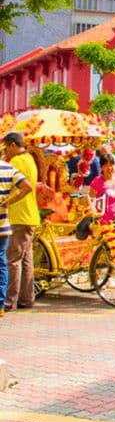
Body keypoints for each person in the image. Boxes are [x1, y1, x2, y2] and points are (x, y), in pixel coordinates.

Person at [3, 133, 39, 312]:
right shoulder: (30, 159)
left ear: (11, 145)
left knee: (13, 260)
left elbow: (12, 187)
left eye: (5, 148)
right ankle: (26, 299)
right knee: (26, 260)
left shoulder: (16, 162)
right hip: (30, 216)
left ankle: (9, 301)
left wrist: (8, 202)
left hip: (19, 216)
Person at [0, 158, 33, 317]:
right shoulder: (10, 168)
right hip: (5, 225)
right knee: (6, 263)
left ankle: (7, 301)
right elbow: (28, 186)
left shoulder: (15, 162)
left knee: (10, 262)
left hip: (17, 219)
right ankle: (5, 303)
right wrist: (8, 202)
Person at [89, 154, 115, 224]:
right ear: (101, 167)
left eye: (111, 164)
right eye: (106, 165)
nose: (109, 168)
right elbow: (91, 206)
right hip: (103, 223)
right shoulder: (96, 182)